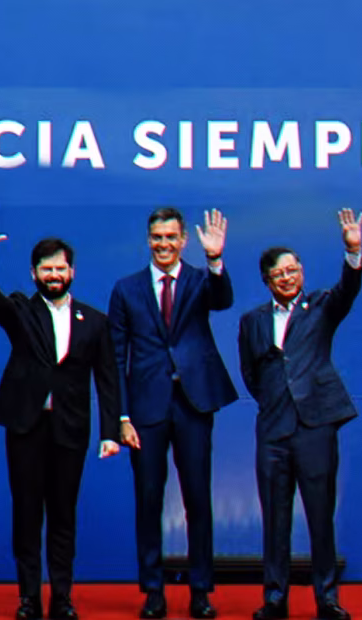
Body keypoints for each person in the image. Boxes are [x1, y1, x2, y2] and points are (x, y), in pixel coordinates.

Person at [0, 207, 126, 620]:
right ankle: (27, 599)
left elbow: (108, 381)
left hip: (70, 431)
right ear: (34, 273)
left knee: (63, 517)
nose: (53, 275)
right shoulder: (21, 309)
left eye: (60, 268)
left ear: (72, 272)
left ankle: (61, 598)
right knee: (26, 515)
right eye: (46, 269)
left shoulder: (94, 321)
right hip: (25, 428)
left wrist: (111, 431)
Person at [107, 207, 238, 619]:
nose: (164, 244)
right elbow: (115, 357)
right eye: (157, 237)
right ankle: (153, 591)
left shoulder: (201, 281)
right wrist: (121, 417)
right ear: (149, 239)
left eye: (171, 237)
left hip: (193, 404)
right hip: (145, 410)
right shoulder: (126, 289)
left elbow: (223, 299)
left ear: (184, 240)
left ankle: (200, 590)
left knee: (198, 499)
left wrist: (215, 260)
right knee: (147, 500)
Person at [238, 209, 362, 620]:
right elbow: (251, 375)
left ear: (301, 272)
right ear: (267, 281)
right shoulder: (252, 321)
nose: (288, 278)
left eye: (293, 270)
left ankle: (327, 599)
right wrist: (276, 402)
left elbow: (349, 288)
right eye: (279, 274)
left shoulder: (322, 306)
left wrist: (353, 250)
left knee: (319, 516)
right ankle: (275, 599)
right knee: (275, 520)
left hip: (315, 428)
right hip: (273, 430)